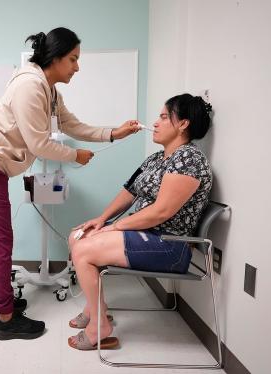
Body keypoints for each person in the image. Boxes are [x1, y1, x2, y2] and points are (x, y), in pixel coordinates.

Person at [0, 27, 140, 341]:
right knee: (0, 244)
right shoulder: (30, 87)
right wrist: (75, 155)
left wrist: (114, 133)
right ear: (55, 59)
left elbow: (73, 125)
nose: (77, 67)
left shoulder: (49, 90)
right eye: (73, 59)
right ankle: (5, 320)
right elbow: (39, 144)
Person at [66, 93, 213, 350]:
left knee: (84, 249)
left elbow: (161, 212)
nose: (156, 122)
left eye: (164, 117)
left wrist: (116, 226)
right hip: (146, 235)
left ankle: (100, 326)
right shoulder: (157, 159)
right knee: (78, 235)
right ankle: (96, 309)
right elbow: (129, 191)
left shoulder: (189, 159)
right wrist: (101, 220)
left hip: (170, 245)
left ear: (183, 124)